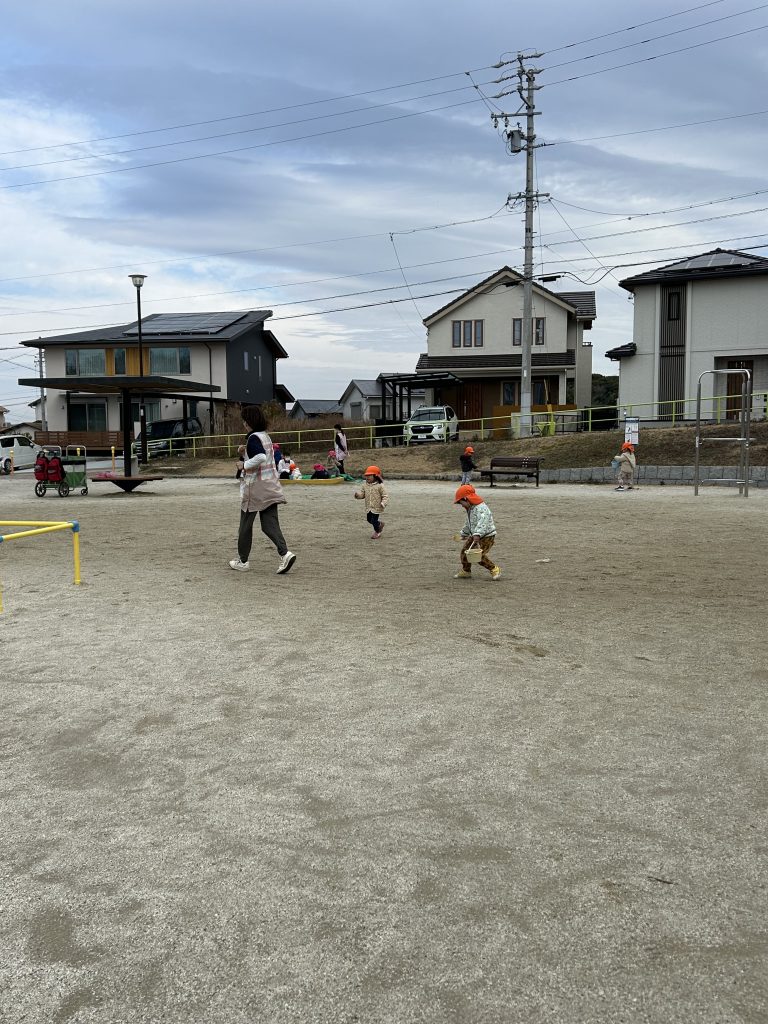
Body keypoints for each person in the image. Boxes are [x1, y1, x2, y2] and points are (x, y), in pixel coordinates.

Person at [229, 404, 297, 575]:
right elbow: (264, 455)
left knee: (245, 525)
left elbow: (259, 457)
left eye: (245, 420)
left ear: (249, 421)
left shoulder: (253, 438)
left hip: (254, 487)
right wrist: (245, 451)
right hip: (270, 485)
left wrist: (243, 464)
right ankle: (285, 554)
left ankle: (243, 561)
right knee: (269, 524)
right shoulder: (265, 436)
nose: (243, 423)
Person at [453, 484, 501, 580]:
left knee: (478, 555)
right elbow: (468, 523)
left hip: (487, 536)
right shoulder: (470, 509)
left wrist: (477, 534)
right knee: (465, 552)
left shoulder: (481, 508)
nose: (461, 505)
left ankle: (494, 569)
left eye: (461, 502)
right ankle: (466, 571)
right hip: (475, 535)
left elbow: (483, 521)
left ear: (466, 499)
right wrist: (463, 534)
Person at [354, 465, 388, 539]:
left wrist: (383, 503)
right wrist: (358, 496)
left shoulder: (380, 486)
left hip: (377, 507)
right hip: (368, 506)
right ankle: (380, 524)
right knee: (369, 520)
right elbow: (363, 495)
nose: (367, 477)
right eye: (366, 475)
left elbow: (385, 496)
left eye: (370, 475)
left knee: (373, 520)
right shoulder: (364, 485)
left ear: (375, 476)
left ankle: (377, 531)